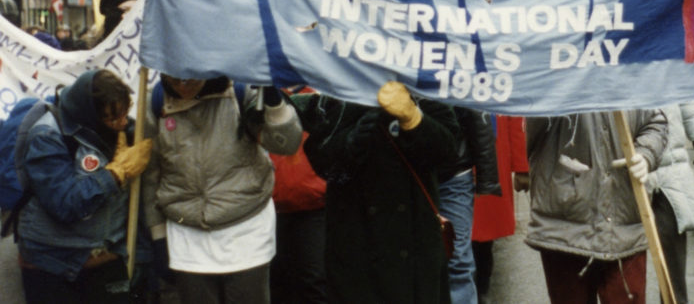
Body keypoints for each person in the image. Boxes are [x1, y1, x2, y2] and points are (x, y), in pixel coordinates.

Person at [294, 81, 460, 303]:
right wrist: (351, 142)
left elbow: (448, 154)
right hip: (355, 244)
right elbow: (324, 165)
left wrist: (413, 120)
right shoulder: (338, 84)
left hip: (414, 242)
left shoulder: (421, 83)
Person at [142, 75, 301, 304]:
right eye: (175, 80)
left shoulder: (240, 89)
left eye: (190, 79)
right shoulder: (154, 102)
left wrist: (275, 105)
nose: (183, 86)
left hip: (245, 227)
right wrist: (158, 237)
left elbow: (288, 144)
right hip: (187, 232)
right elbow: (151, 176)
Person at [17, 69, 153, 303]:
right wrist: (115, 174)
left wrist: (141, 255)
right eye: (113, 118)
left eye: (125, 113)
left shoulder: (127, 131)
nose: (122, 123)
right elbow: (64, 203)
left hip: (105, 256)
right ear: (89, 114)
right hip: (52, 261)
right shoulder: (47, 135)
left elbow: (135, 202)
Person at [524, 110, 667, 304]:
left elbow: (655, 123)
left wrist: (645, 154)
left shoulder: (634, 80)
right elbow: (531, 133)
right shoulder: (552, 83)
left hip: (624, 221)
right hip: (565, 227)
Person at [268, 87, 330, 304]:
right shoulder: (262, 98)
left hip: (314, 207)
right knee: (275, 282)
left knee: (314, 280)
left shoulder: (318, 97)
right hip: (270, 209)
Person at [645, 102, 694, 303]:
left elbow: (684, 97)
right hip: (628, 170)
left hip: (669, 172)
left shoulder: (671, 70)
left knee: (672, 262)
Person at [437, 107, 501, 304]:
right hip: (405, 172)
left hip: (453, 173)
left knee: (457, 260)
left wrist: (487, 176)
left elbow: (477, 110)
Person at [471, 115, 529, 298]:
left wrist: (521, 166)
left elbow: (513, 111)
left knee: (482, 236)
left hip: (491, 151)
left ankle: (481, 290)